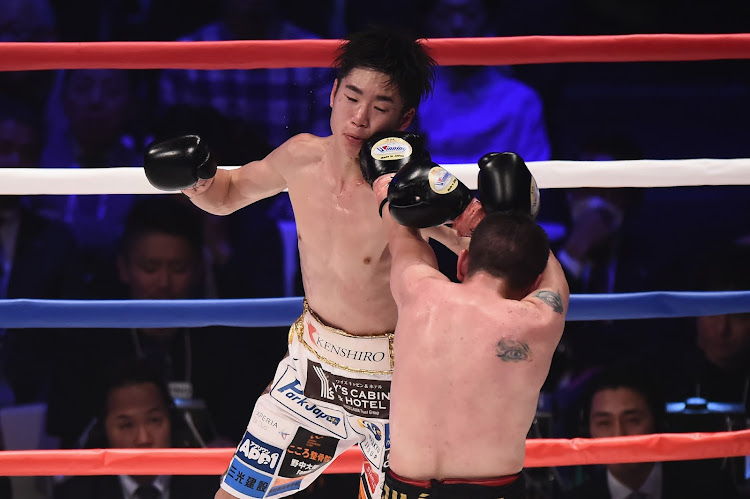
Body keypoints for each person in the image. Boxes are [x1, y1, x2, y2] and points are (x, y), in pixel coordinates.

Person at [143, 27, 514, 499]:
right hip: (313, 370)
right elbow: (230, 194)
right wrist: (197, 180)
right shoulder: (301, 156)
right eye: (352, 97)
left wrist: (475, 211)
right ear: (334, 93)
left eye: (380, 107)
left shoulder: (408, 186)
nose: (359, 118)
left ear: (404, 118)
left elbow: (486, 253)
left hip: (401, 379)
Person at [370, 160, 569, 498]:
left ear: (462, 263)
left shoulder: (419, 292)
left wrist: (391, 190)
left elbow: (400, 225)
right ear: (533, 283)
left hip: (400, 489)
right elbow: (554, 280)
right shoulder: (539, 322)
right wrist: (513, 217)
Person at [52, 359, 220, 499]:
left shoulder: (213, 490)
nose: (143, 439)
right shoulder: (76, 495)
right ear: (103, 430)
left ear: (173, 422)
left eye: (154, 421)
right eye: (127, 425)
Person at [565, 365, 739, 499]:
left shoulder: (711, 490)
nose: (618, 435)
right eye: (604, 423)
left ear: (658, 422)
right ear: (587, 430)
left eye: (633, 420)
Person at [413, 0, 552, 164]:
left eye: (470, 14)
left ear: (488, 20)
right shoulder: (414, 94)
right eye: (445, 14)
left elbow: (536, 178)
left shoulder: (522, 100)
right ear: (429, 20)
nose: (458, 24)